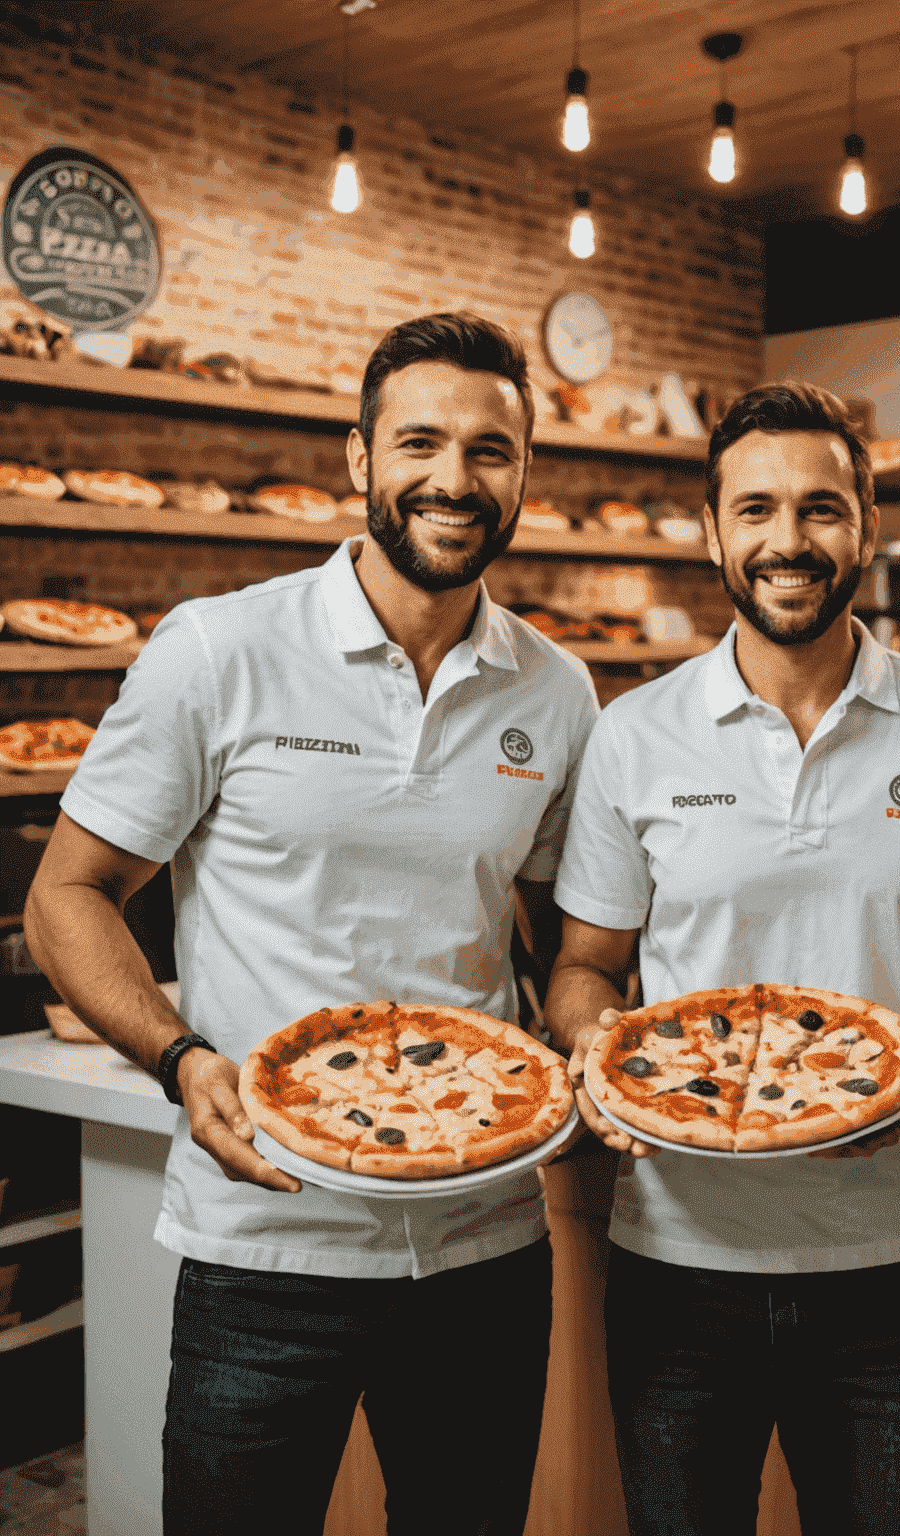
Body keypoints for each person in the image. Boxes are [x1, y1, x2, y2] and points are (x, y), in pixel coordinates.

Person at [24, 312, 598, 1536]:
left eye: (490, 449)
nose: (454, 479)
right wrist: (181, 1059)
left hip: (484, 1238)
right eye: (421, 443)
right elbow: (65, 896)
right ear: (360, 459)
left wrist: (589, 1041)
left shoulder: (557, 689)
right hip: (265, 1234)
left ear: (525, 473)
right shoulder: (219, 649)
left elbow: (560, 939)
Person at [545, 381, 900, 1536]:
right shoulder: (634, 732)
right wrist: (592, 1042)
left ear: (863, 523)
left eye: (819, 508)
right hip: (674, 1258)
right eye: (755, 511)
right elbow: (584, 965)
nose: (787, 542)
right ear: (714, 533)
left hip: (886, 1259)